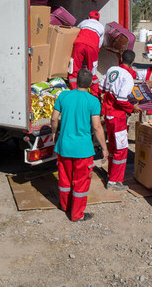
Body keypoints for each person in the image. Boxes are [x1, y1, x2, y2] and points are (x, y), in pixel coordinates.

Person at [51, 68, 108, 222]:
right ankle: (77, 215)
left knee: (64, 180)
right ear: (89, 84)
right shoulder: (92, 100)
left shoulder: (63, 95)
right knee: (80, 184)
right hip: (83, 150)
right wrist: (104, 148)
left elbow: (54, 119)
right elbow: (97, 127)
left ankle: (65, 206)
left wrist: (54, 133)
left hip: (64, 147)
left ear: (75, 81)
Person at [99, 50, 141, 190]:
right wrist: (132, 108)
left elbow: (101, 88)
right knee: (121, 149)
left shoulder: (112, 69)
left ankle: (110, 173)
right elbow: (122, 99)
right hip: (118, 117)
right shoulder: (128, 77)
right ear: (132, 63)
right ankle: (114, 180)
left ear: (121, 58)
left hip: (109, 114)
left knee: (113, 146)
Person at [68, 11, 104, 95]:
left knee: (74, 70)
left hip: (79, 44)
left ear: (88, 17)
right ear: (98, 20)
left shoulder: (84, 22)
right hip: (92, 48)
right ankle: (95, 95)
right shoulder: (101, 27)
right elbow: (100, 44)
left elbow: (75, 31)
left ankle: (73, 92)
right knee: (93, 72)